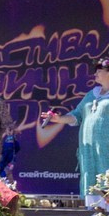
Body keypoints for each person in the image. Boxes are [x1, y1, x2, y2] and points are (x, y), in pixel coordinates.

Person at [40, 61, 109, 208]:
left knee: (106, 172)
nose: (95, 74)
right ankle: (96, 210)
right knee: (90, 173)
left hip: (106, 146)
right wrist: (58, 119)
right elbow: (77, 115)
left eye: (99, 71)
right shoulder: (92, 94)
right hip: (89, 146)